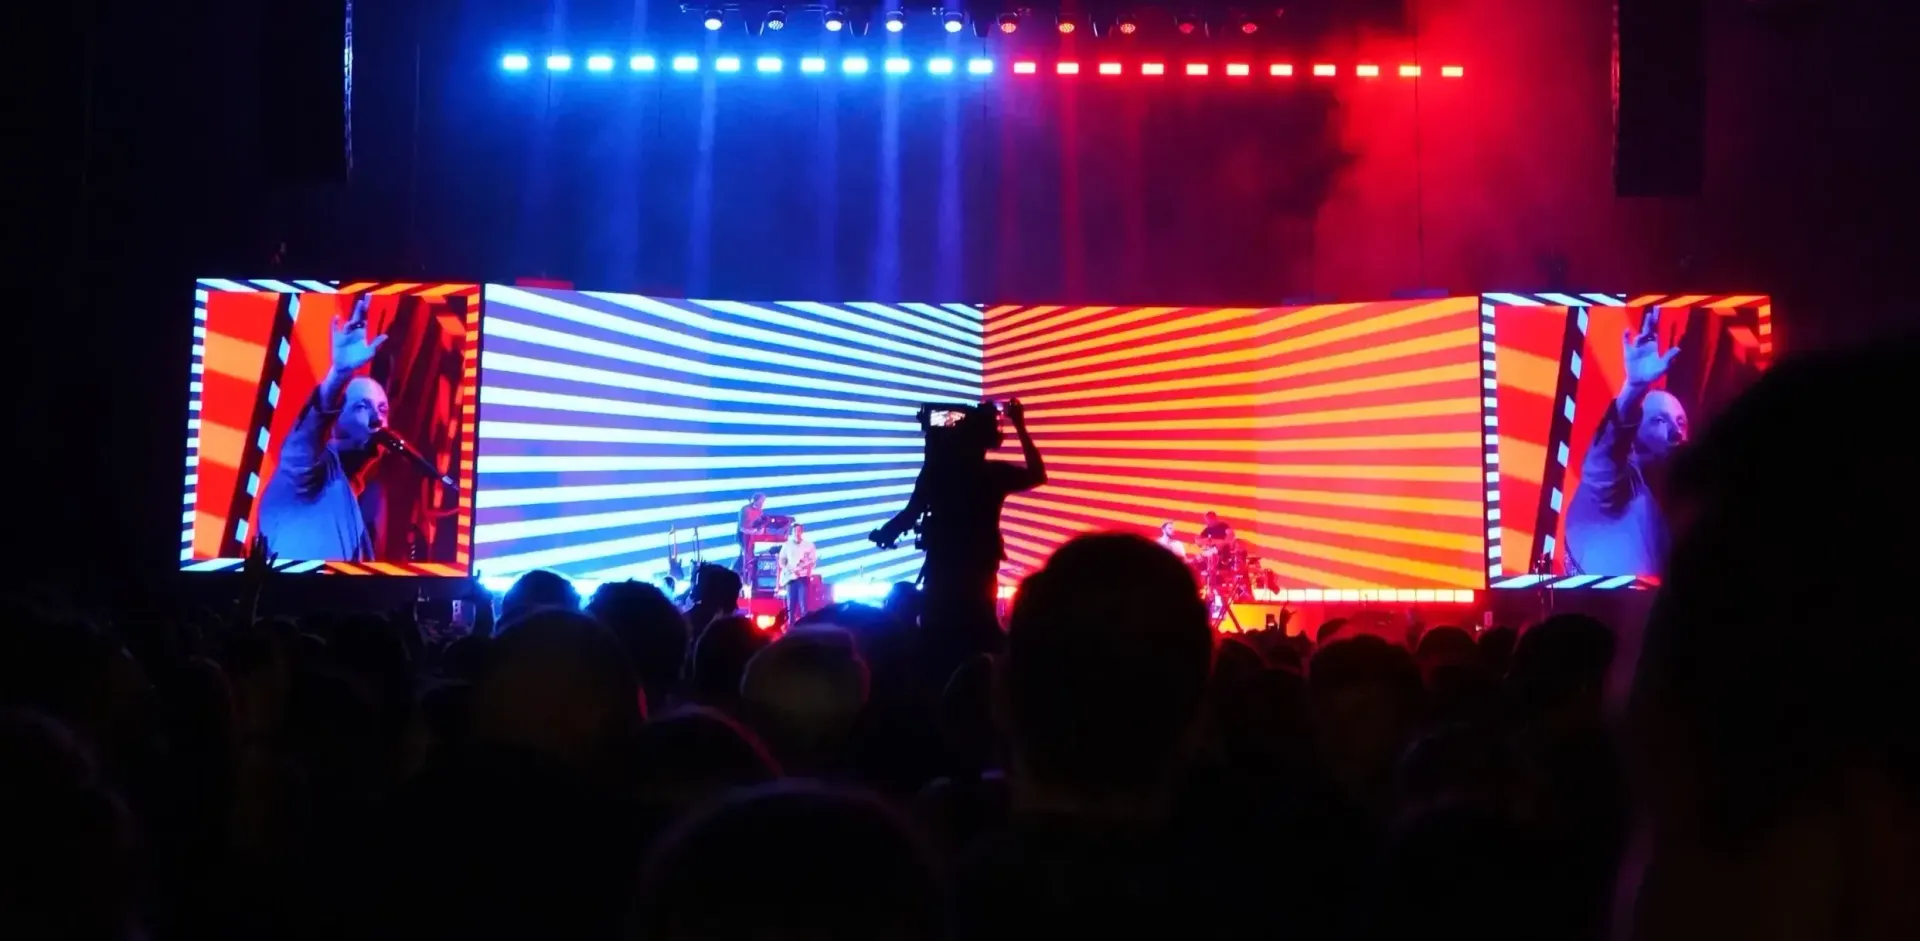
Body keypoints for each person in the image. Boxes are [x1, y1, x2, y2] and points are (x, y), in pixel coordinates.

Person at [872, 399, 1045, 665]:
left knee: (937, 632)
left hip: (943, 564)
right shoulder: (992, 474)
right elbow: (1036, 474)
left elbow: (911, 512)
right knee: (979, 630)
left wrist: (886, 534)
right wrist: (1020, 425)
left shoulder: (936, 473)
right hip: (979, 565)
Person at [255, 294, 392, 561]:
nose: (378, 420)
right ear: (335, 417)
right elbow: (303, 443)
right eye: (362, 407)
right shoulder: (306, 476)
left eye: (383, 409)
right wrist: (339, 375)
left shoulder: (348, 491)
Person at [1563, 309, 1688, 576]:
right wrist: (1634, 389)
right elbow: (1604, 458)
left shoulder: (1687, 505)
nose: (1675, 431)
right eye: (1659, 420)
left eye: (1680, 422)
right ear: (1634, 434)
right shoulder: (1605, 494)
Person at [776, 523, 819, 621]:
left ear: (802, 532)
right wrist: (787, 569)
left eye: (799, 530)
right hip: (791, 578)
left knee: (803, 605)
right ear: (792, 532)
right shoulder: (787, 545)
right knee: (790, 606)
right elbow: (782, 559)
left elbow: (812, 562)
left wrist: (807, 568)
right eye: (795, 531)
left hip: (803, 578)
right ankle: (790, 628)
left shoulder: (809, 545)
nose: (797, 533)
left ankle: (803, 629)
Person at [736, 493, 768, 578]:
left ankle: (751, 576)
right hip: (744, 537)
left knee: (751, 557)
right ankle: (744, 577)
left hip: (752, 537)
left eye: (763, 501)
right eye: (761, 501)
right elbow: (742, 527)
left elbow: (760, 524)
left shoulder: (760, 511)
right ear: (755, 500)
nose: (763, 503)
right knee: (747, 557)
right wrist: (753, 531)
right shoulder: (745, 509)